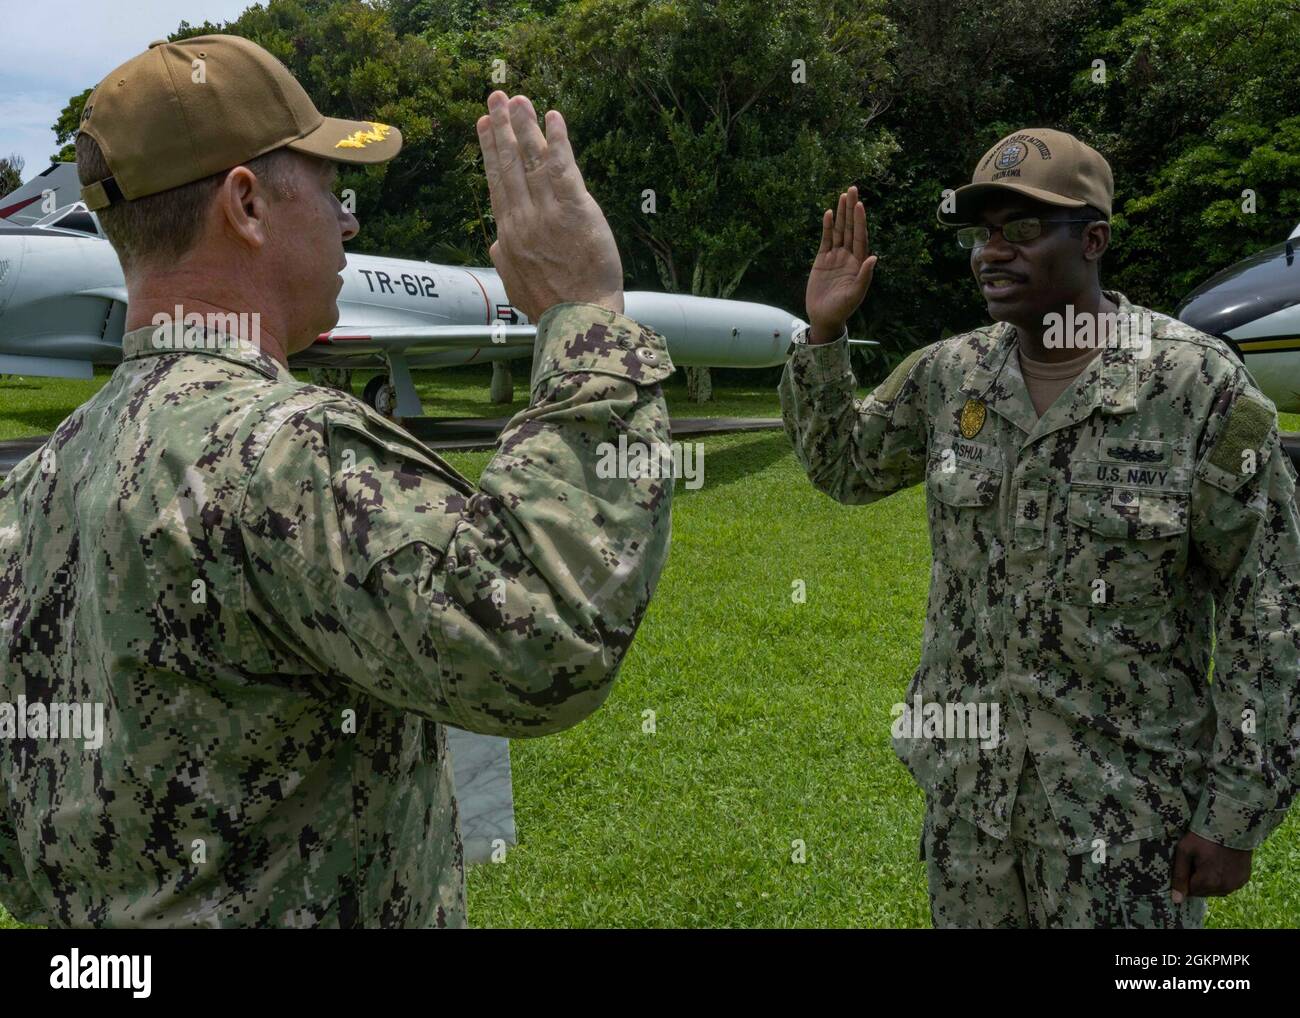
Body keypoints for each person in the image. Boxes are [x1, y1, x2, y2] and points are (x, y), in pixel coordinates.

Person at [0, 34, 675, 928]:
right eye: (325, 184)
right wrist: (586, 315)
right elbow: (537, 639)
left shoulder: (41, 481)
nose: (348, 220)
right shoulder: (282, 452)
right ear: (246, 203)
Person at [779, 127, 1300, 928]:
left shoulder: (1197, 387)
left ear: (1093, 240)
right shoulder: (950, 376)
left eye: (1022, 229)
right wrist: (823, 335)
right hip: (970, 807)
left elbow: (1268, 611)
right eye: (984, 232)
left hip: (1125, 819)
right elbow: (844, 468)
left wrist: (1236, 811)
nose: (994, 252)